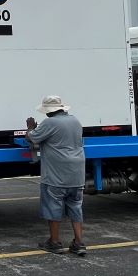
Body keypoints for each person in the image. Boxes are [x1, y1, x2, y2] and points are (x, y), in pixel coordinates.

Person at [26, 95, 87, 256]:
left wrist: (31, 127)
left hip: (56, 174)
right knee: (75, 206)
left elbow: (31, 138)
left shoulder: (50, 123)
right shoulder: (75, 121)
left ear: (48, 111)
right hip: (77, 173)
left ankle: (54, 242)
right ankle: (79, 243)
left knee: (53, 206)